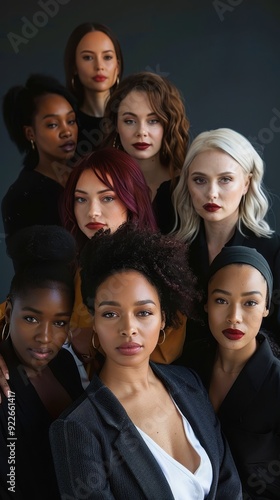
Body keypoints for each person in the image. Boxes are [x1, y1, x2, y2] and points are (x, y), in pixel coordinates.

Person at [49, 223, 242, 499]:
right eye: (110, 314)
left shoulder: (190, 382)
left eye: (143, 312)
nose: (128, 328)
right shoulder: (78, 428)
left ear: (163, 318)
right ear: (94, 321)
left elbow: (229, 486)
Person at [60, 147, 186, 375]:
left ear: (132, 200)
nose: (93, 212)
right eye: (81, 199)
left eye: (107, 197)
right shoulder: (71, 265)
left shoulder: (161, 269)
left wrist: (90, 345)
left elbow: (163, 354)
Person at [171, 127, 280, 359]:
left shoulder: (273, 251)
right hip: (187, 378)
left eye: (225, 180)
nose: (211, 193)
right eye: (199, 180)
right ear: (187, 183)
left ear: (246, 184)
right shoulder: (174, 251)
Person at [187, 245, 280, 499]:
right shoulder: (186, 366)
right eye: (221, 300)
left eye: (250, 302)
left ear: (266, 308)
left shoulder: (276, 384)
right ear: (205, 303)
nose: (234, 317)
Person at [0, 225, 84, 499]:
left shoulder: (66, 366)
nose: (45, 338)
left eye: (59, 322)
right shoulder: (3, 390)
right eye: (31, 318)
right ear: (9, 311)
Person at [101, 71, 190, 233]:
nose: (141, 131)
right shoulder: (101, 184)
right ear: (116, 126)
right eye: (130, 121)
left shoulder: (190, 184)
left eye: (153, 121)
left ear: (168, 125)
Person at [1, 73, 78, 253]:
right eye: (52, 124)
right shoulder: (21, 197)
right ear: (30, 133)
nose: (67, 132)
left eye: (71, 121)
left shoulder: (89, 174)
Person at [64, 22, 123, 155]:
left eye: (107, 57)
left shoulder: (132, 118)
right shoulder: (66, 126)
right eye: (88, 57)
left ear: (117, 66)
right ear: (74, 66)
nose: (99, 66)